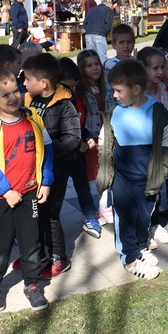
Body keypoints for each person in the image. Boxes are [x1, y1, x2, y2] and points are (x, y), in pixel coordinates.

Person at [0, 69, 53, 312]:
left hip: (30, 193)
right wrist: (6, 191)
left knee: (32, 243)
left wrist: (46, 181)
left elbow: (47, 150)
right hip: (2, 198)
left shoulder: (33, 118)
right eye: (5, 95)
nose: (13, 97)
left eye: (15, 91)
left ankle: (32, 284)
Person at [97, 59, 168, 279]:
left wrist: (162, 171)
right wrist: (106, 173)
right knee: (125, 218)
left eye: (118, 90)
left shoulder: (157, 111)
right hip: (122, 179)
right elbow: (105, 141)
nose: (114, 95)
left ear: (137, 89)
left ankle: (140, 246)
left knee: (144, 216)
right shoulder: (115, 113)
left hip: (148, 179)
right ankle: (130, 259)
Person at [23, 54, 81, 279]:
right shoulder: (28, 99)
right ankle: (36, 255)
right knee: (34, 212)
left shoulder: (64, 104)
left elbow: (73, 138)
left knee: (50, 212)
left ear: (44, 83)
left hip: (56, 168)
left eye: (27, 79)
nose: (24, 83)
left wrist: (44, 151)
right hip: (32, 168)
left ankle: (58, 257)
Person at [58, 57, 102, 239]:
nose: (71, 91)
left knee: (83, 186)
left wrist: (87, 137)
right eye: (68, 87)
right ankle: (50, 223)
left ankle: (90, 216)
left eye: (74, 88)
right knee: (57, 193)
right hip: (61, 156)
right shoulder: (54, 106)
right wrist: (78, 144)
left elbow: (78, 124)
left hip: (78, 155)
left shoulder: (76, 100)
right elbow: (57, 133)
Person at [136, 47, 168, 244]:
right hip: (140, 152)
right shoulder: (136, 95)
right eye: (155, 68)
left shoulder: (164, 94)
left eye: (162, 67)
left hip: (159, 151)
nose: (160, 72)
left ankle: (154, 224)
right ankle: (141, 228)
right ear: (142, 69)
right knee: (141, 192)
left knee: (156, 190)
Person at [75, 49, 110, 224]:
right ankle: (88, 209)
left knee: (105, 172)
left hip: (106, 133)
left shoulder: (106, 85)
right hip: (90, 136)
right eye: (89, 66)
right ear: (82, 69)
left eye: (97, 64)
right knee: (89, 174)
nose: (95, 68)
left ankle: (104, 207)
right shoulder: (80, 90)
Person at [82, 0, 115, 64]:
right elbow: (108, 24)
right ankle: (103, 70)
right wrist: (105, 33)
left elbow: (85, 23)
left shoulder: (91, 9)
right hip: (100, 34)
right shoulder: (108, 10)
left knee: (90, 57)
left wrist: (88, 29)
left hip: (89, 34)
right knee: (102, 57)